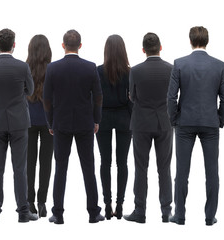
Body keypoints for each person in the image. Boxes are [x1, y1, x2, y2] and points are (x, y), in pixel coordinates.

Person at [167, 26, 224, 226]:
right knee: (212, 172)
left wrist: (174, 119)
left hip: (184, 123)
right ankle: (210, 217)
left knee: (181, 171)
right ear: (207, 41)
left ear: (190, 40)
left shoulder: (179, 64)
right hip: (210, 124)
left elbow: (170, 97)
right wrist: (219, 119)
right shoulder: (219, 65)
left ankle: (180, 215)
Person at [43, 29, 105, 224]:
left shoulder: (52, 68)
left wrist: (50, 121)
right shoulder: (90, 67)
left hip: (60, 123)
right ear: (80, 45)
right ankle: (94, 212)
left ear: (63, 46)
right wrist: (96, 120)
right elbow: (98, 97)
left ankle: (58, 213)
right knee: (89, 168)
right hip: (85, 123)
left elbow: (46, 99)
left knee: (60, 168)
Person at [0, 28, 38, 222]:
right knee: (20, 168)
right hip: (19, 122)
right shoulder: (23, 67)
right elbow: (30, 90)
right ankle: (23, 212)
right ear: (14, 45)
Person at [124, 33, 173, 224]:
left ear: (143, 50)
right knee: (165, 169)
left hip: (141, 123)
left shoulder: (135, 71)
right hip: (164, 122)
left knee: (140, 168)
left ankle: (140, 211)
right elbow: (174, 96)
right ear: (160, 48)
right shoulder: (171, 69)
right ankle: (166, 212)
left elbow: (132, 96)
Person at [96, 35, 132, 220]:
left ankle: (107, 204)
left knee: (105, 162)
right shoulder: (129, 72)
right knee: (122, 163)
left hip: (102, 117)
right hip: (125, 118)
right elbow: (132, 98)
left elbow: (93, 98)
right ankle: (120, 204)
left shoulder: (98, 71)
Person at [26, 34, 54, 217]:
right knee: (46, 162)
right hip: (48, 120)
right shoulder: (53, 69)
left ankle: (29, 202)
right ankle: (42, 202)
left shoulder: (24, 68)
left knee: (28, 162)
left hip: (27, 120)